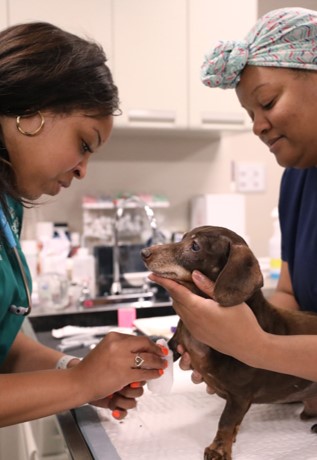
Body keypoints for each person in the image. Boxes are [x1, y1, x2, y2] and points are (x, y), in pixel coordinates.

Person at [0, 21, 168, 427]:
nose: (83, 171)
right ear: (31, 112)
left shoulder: (8, 206)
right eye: (84, 143)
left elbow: (6, 346)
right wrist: (79, 383)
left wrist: (76, 372)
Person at [150, 7, 317, 385]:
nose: (257, 126)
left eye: (269, 102)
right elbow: (290, 297)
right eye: (249, 112)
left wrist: (256, 348)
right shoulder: (296, 179)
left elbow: (263, 343)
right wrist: (225, 347)